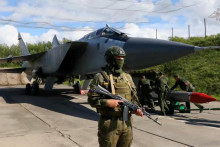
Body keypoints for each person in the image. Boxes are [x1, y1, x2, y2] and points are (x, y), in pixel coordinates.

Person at [88, 46, 143, 147]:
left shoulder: (127, 77)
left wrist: (136, 109)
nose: (121, 60)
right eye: (118, 58)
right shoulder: (100, 77)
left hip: (127, 123)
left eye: (122, 58)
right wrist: (106, 102)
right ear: (110, 59)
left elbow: (134, 98)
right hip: (109, 123)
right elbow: (92, 99)